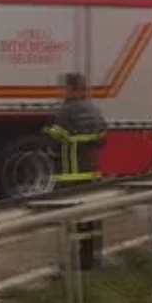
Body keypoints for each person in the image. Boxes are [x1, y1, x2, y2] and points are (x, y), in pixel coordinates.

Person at [44, 72, 108, 269]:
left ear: (71, 89)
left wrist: (46, 137)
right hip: (92, 173)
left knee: (69, 220)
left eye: (64, 88)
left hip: (70, 175)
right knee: (90, 219)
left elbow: (54, 143)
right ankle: (91, 260)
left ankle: (71, 263)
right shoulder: (95, 110)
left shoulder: (65, 112)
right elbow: (102, 139)